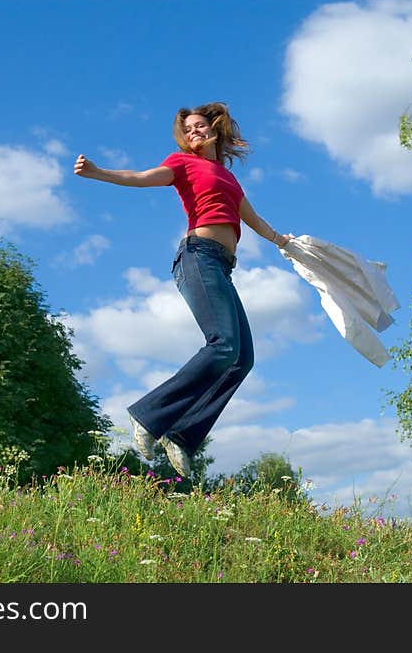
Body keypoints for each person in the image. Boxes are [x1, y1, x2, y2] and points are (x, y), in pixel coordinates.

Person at [74, 102, 292, 477]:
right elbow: (141, 177)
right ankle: (148, 416)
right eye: (188, 129)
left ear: (214, 130)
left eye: (200, 127)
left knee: (242, 360)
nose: (194, 132)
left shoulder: (228, 178)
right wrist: (98, 173)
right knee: (223, 345)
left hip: (222, 267)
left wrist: (281, 241)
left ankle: (182, 436)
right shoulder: (181, 163)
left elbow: (252, 219)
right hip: (198, 257)